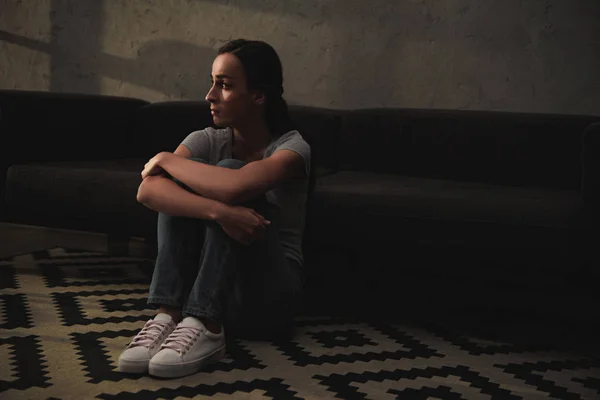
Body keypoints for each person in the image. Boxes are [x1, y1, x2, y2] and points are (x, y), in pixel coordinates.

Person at [117, 39, 311, 379]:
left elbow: (235, 186)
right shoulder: (206, 139)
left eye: (224, 85)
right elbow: (148, 190)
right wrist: (218, 213)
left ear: (258, 95)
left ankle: (206, 324)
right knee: (182, 187)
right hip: (210, 287)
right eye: (213, 82)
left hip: (268, 300)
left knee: (230, 169)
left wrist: (165, 159)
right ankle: (169, 314)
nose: (210, 95)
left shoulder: (293, 149)